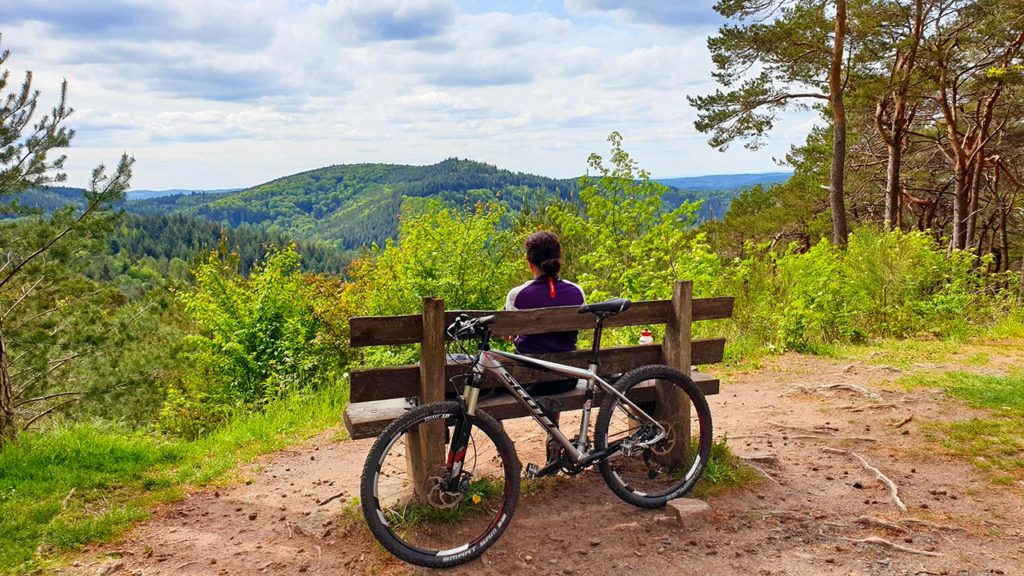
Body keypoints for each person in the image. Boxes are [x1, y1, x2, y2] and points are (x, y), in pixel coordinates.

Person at [505, 231, 585, 463]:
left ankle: (508, 450)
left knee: (490, 378)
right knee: (555, 362)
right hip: (566, 377)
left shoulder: (517, 295)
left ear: (530, 264)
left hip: (528, 381)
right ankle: (554, 438)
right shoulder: (577, 292)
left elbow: (510, 335)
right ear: (560, 261)